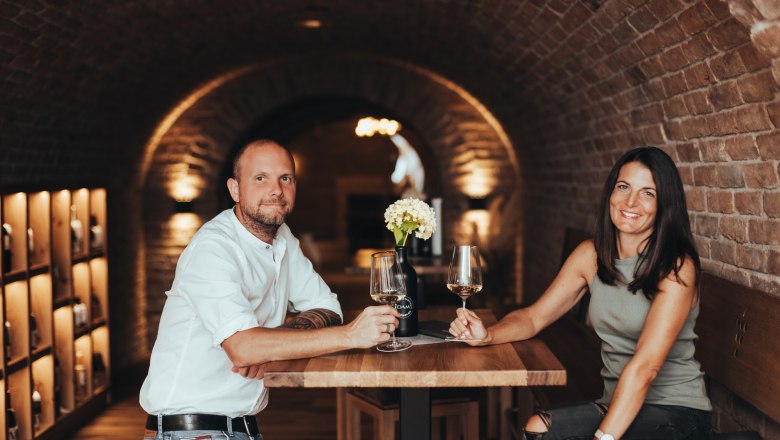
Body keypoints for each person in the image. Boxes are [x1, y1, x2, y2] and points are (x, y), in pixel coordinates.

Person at [140, 139, 399, 440]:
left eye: (285, 178)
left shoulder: (283, 238)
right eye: (260, 178)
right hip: (190, 430)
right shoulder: (213, 248)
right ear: (235, 189)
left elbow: (328, 307)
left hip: (238, 427)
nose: (276, 190)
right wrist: (350, 336)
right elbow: (243, 349)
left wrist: (272, 349)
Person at [449, 146, 712, 440]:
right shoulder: (591, 255)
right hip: (616, 403)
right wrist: (488, 336)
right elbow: (535, 317)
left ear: (665, 204)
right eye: (623, 187)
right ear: (610, 193)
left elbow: (646, 367)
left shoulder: (676, 266)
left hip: (675, 412)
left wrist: (603, 438)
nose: (631, 201)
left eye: (648, 193)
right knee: (539, 428)